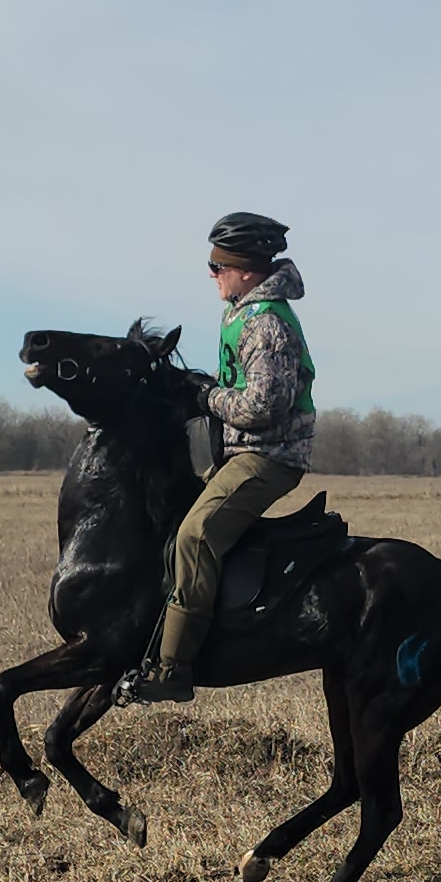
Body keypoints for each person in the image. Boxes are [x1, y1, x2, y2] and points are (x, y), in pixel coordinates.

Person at [116, 212, 316, 706]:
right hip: (241, 453)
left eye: (217, 265)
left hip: (269, 458)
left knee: (195, 535)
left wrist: (206, 397)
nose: (211, 273)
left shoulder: (267, 323)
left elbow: (264, 406)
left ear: (244, 269)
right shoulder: (241, 310)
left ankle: (173, 669)